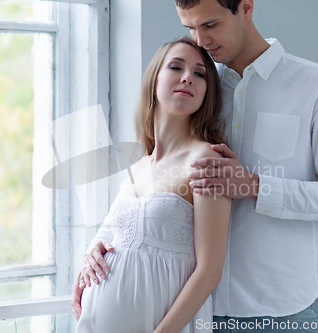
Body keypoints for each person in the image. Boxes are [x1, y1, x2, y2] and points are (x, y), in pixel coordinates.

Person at [73, 1, 318, 332]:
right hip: (193, 310)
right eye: (190, 28)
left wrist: (255, 186)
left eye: (210, 25)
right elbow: (157, 180)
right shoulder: (199, 85)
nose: (201, 40)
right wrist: (109, 241)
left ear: (246, 7)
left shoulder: (316, 85)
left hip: (278, 312)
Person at [73, 36, 232, 333]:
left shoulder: (207, 160)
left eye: (199, 73)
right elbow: (113, 232)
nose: (188, 76)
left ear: (206, 92)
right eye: (176, 67)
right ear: (154, 80)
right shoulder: (140, 165)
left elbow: (210, 270)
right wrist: (92, 252)